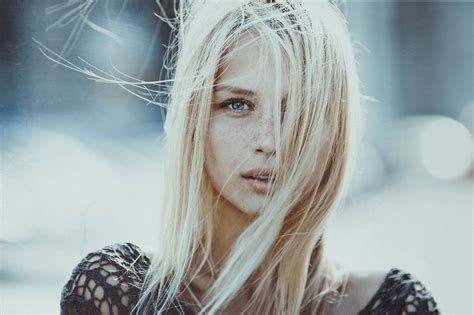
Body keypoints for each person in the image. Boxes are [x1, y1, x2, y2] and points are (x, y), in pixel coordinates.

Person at [59, 0, 440, 314]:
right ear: (194, 121)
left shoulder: (392, 306)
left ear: (335, 132)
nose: (269, 142)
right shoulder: (116, 293)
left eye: (300, 111)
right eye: (238, 104)